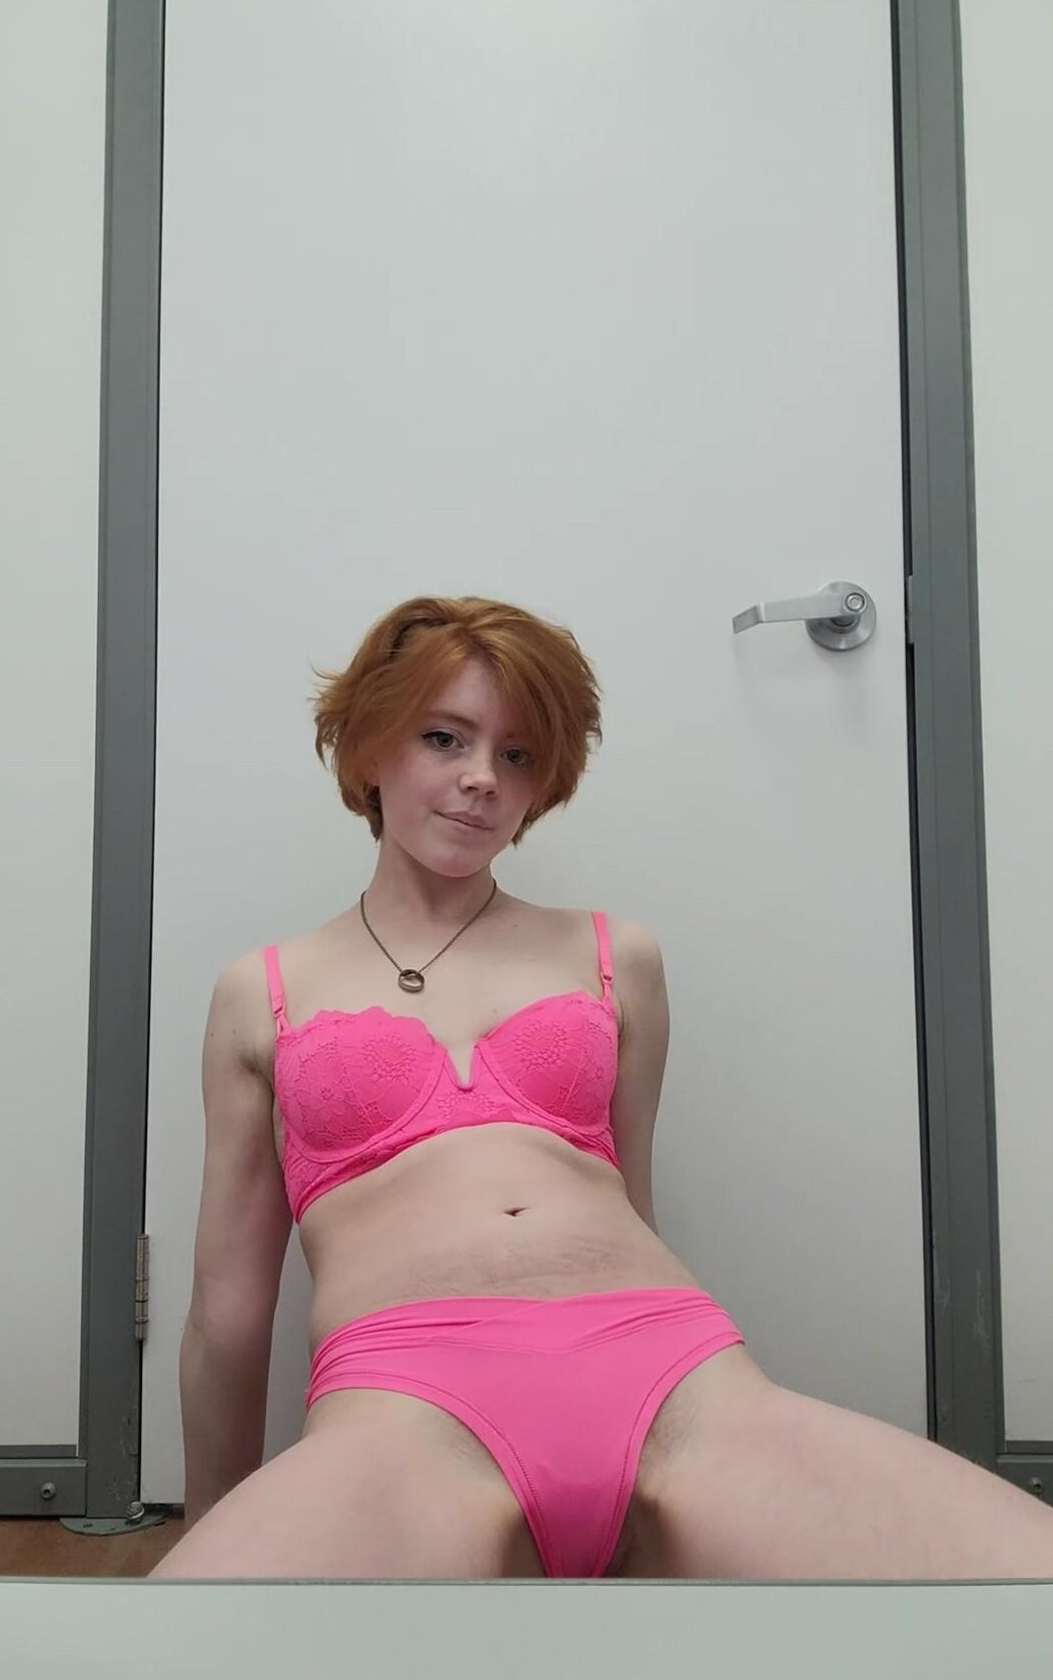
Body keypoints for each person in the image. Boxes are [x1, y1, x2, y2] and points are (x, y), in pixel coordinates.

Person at [150, 595, 1053, 1581]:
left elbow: (629, 1199)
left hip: (673, 1373)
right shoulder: (263, 990)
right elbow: (227, 1311)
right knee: (172, 1662)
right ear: (369, 746)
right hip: (404, 1402)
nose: (480, 778)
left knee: (1023, 1577)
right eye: (443, 737)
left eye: (517, 754)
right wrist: (210, 1525)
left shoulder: (615, 955)